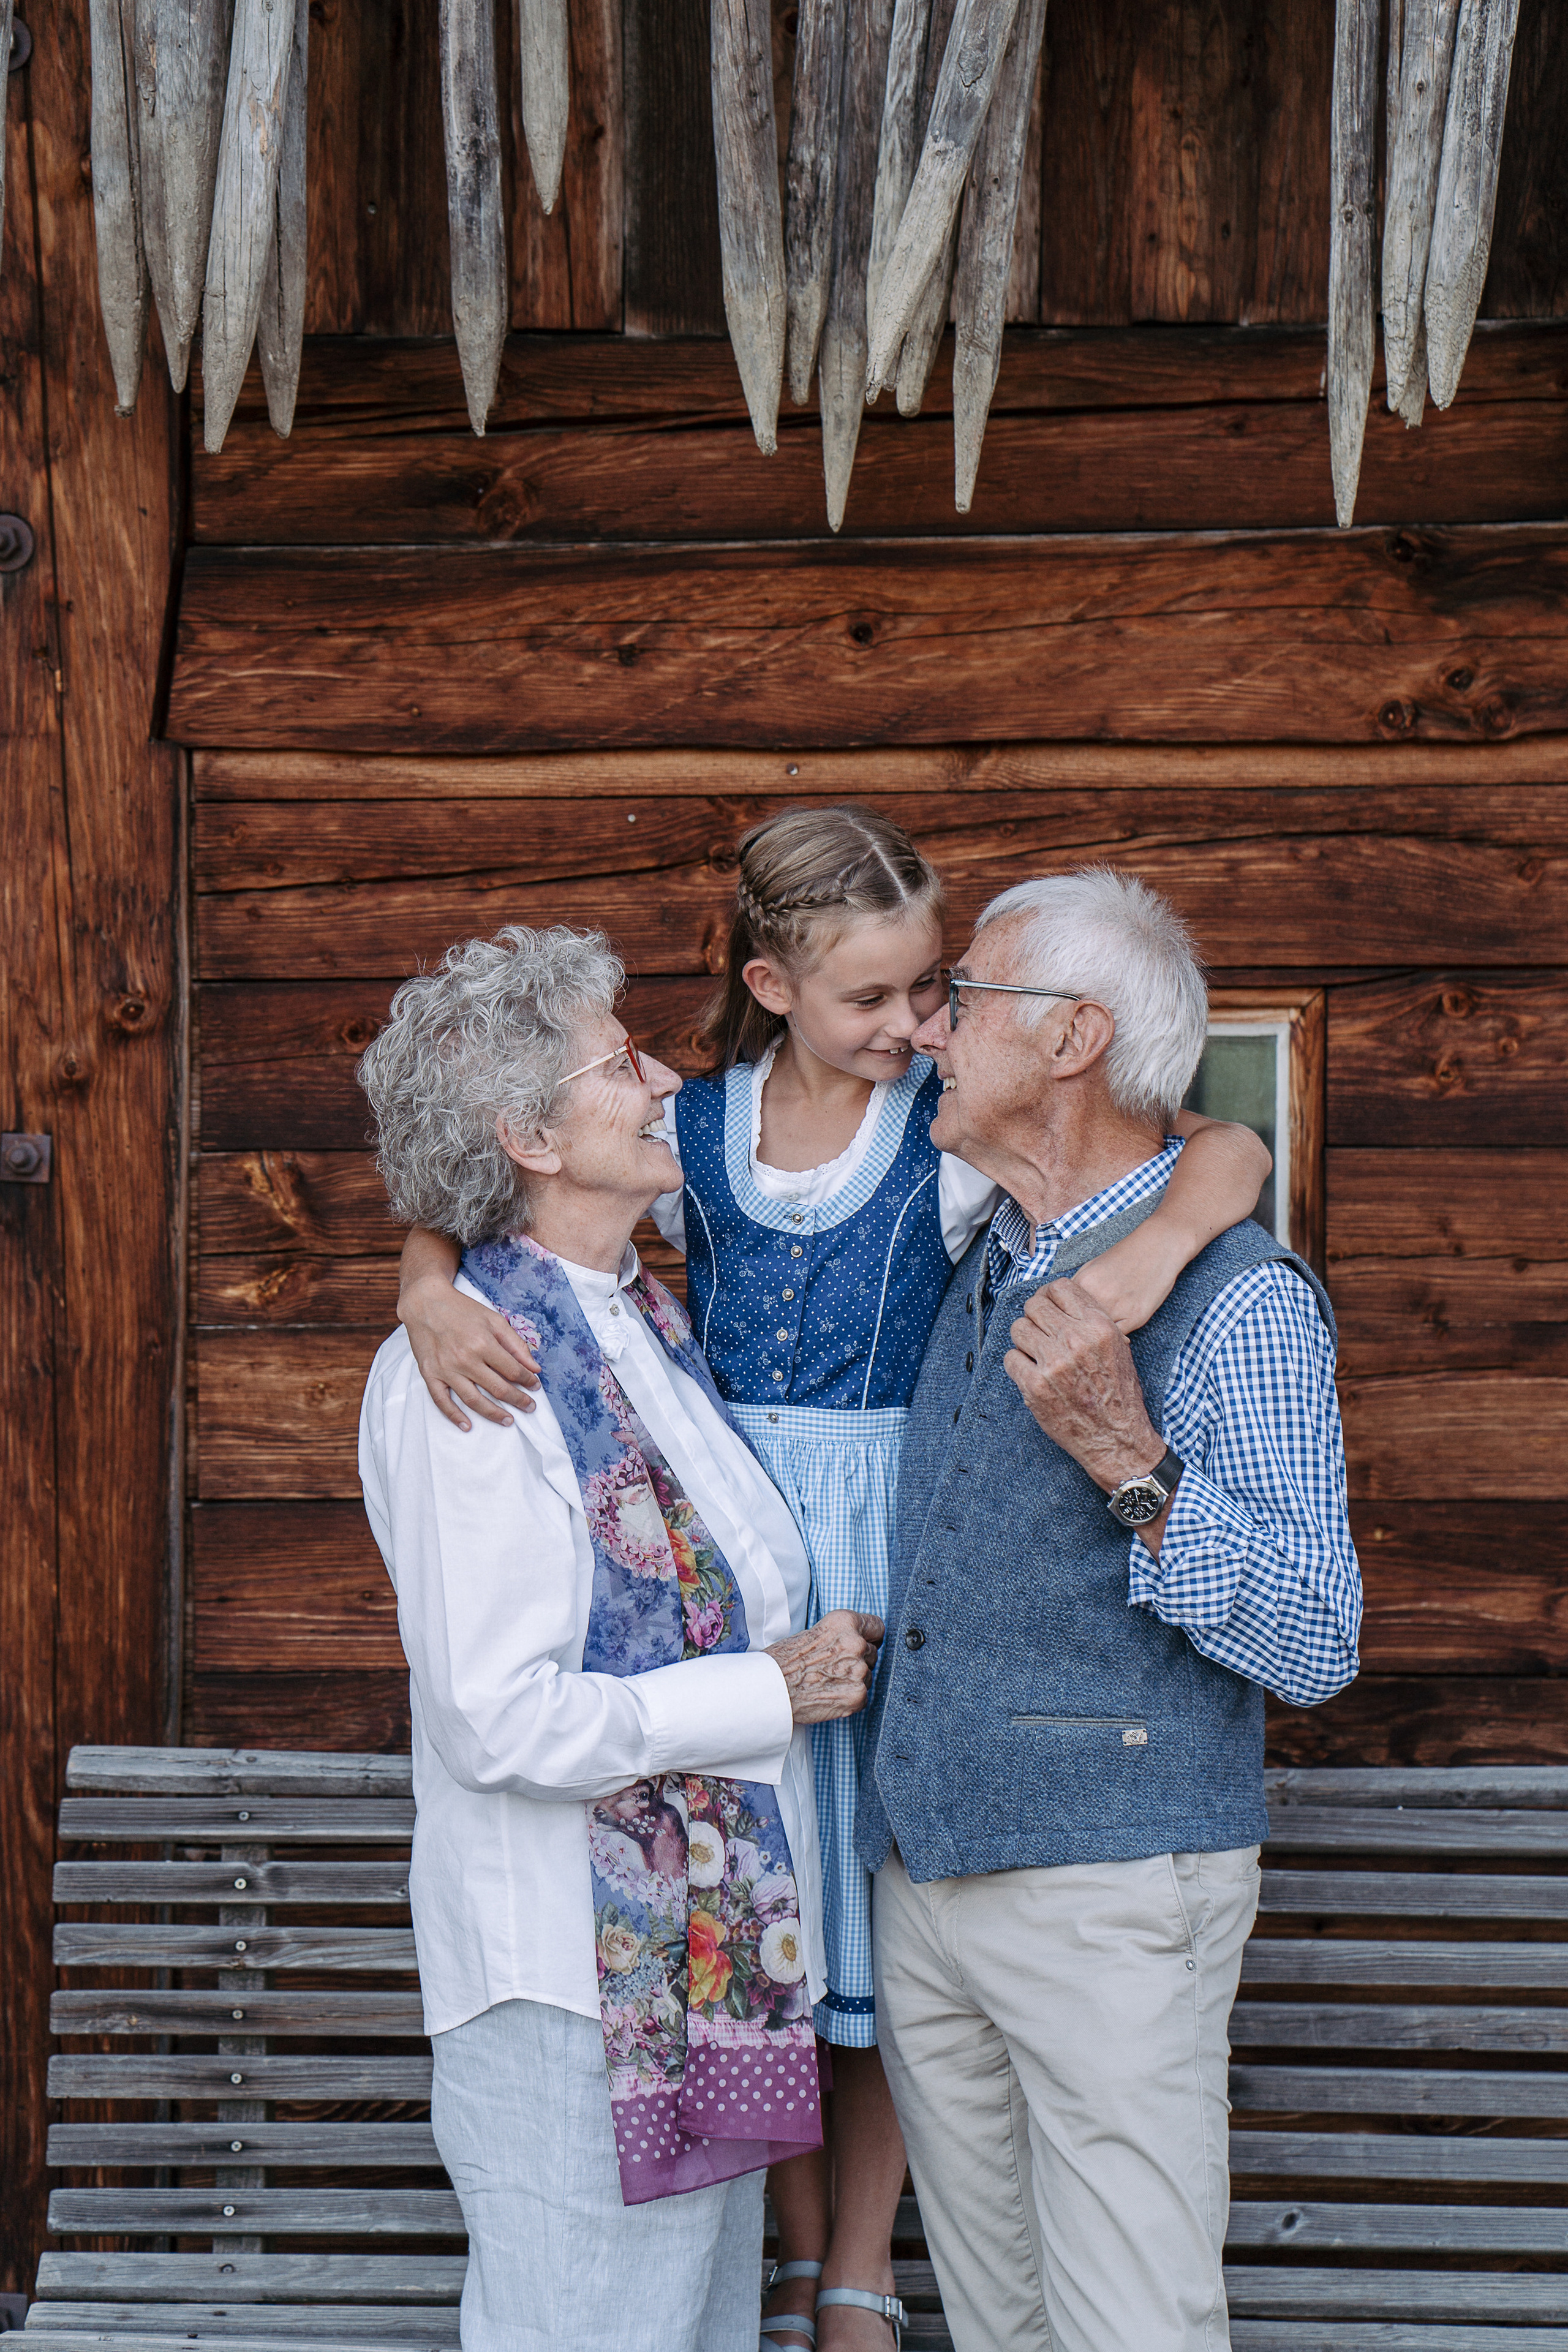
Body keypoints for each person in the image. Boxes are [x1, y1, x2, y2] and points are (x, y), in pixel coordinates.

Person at [394, 812, 1272, 2350]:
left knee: (866, 1919)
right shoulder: (676, 1148)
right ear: (772, 987)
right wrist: (425, 1281)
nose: (916, 1023)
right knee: (781, 1895)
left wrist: (1158, 1250)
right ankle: (794, 2254)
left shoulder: (932, 1127)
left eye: (933, 990)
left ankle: (852, 2259)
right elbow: (478, 1173)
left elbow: (1221, 1144)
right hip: (728, 1546)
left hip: (877, 1543)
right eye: (873, 996)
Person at [355, 922, 884, 2352]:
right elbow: (497, 1717)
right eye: (619, 1063)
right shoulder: (474, 1374)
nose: (662, 1080)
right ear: (529, 1136)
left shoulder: (636, 1319)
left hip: (696, 1962)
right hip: (568, 1986)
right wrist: (763, 1693)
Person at [856, 867, 1362, 2352]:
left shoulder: (1240, 1301)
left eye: (962, 999)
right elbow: (1213, 1144)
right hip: (930, 1877)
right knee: (997, 2326)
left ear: (1071, 1037)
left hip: (1111, 1888)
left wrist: (1128, 1463)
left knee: (1132, 2327)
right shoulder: (985, 1241)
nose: (929, 1030)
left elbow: (1314, 1638)